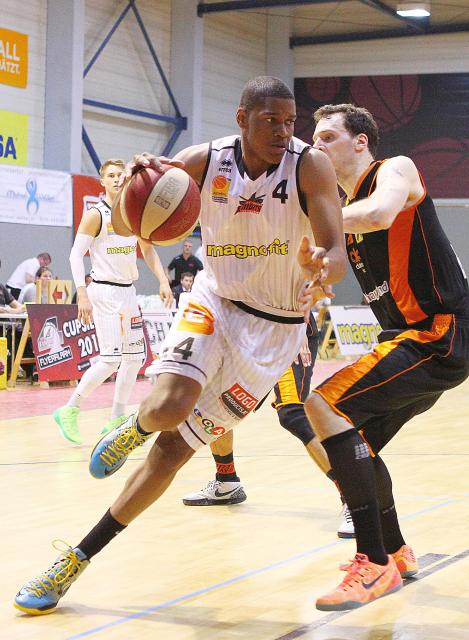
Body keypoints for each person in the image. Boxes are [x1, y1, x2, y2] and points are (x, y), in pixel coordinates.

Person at [14, 75, 347, 615]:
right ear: (241, 118)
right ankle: (134, 427)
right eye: (270, 120)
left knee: (173, 451)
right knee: (168, 406)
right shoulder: (203, 159)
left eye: (290, 121)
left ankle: (77, 557)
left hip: (275, 330)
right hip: (215, 302)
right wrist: (136, 183)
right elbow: (132, 219)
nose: (283, 131)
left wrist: (321, 270)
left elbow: (336, 251)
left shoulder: (310, 165)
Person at [302, 103, 469, 611]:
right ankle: (394, 553)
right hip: (406, 338)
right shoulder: (342, 207)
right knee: (354, 450)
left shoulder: (394, 170)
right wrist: (314, 282)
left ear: (361, 141)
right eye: (314, 139)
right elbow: (330, 267)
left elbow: (379, 215)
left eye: (328, 137)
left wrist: (311, 223)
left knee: (323, 405)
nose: (316, 146)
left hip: (439, 331)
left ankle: (373, 563)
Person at [181, 310, 355, 539]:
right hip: (250, 335)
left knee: (292, 414)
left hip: (286, 330)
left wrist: (298, 325)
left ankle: (354, 496)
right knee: (215, 401)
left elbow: (302, 288)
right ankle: (226, 481)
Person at [52, 158, 173, 446]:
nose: (118, 179)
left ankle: (117, 415)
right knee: (110, 359)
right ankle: (70, 409)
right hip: (104, 292)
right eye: (112, 175)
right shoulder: (96, 214)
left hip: (127, 292)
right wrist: (81, 292)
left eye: (121, 175)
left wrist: (163, 280)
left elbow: (148, 250)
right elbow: (75, 254)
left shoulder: (132, 213)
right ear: (103, 181)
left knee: (135, 358)